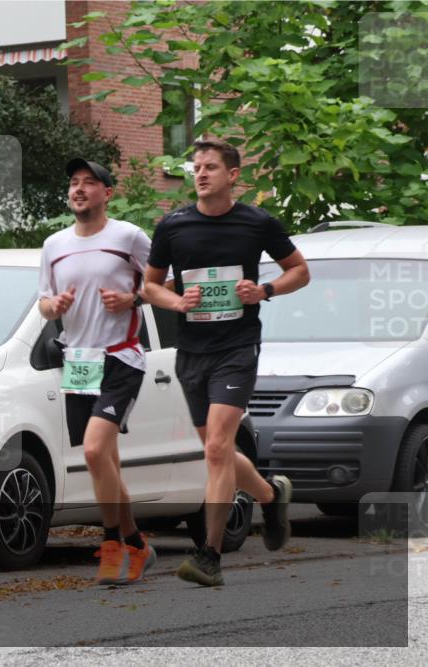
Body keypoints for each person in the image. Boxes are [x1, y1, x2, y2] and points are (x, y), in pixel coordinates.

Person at [143, 140, 310, 586]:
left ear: (232, 175)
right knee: (217, 449)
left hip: (236, 348)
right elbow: (149, 287)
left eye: (210, 167)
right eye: (196, 167)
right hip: (192, 352)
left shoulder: (257, 223)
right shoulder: (173, 226)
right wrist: (177, 301)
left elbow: (300, 270)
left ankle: (208, 556)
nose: (200, 174)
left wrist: (266, 291)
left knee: (218, 449)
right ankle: (270, 496)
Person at [38, 158, 156, 585]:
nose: (79, 189)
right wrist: (55, 307)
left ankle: (112, 546)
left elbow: (166, 285)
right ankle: (137, 544)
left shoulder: (129, 236)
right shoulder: (54, 245)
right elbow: (44, 301)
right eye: (74, 182)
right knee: (104, 461)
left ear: (108, 193)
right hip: (79, 362)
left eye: (90, 182)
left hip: (121, 358)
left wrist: (133, 300)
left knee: (92, 451)